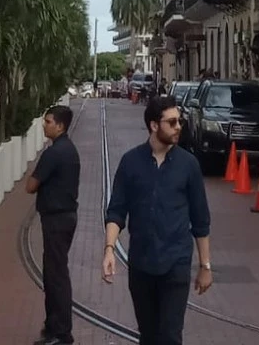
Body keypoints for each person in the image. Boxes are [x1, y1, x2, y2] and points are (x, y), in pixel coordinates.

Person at [103, 94, 212, 345]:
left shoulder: (189, 165)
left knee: (170, 336)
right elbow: (117, 210)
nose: (178, 128)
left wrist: (205, 266)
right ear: (154, 125)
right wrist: (109, 249)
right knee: (149, 336)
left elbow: (200, 219)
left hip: (176, 263)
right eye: (172, 122)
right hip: (141, 264)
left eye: (179, 122)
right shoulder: (131, 162)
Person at [26, 104, 81, 345]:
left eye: (48, 122)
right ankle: (53, 326)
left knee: (56, 275)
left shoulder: (55, 153)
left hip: (57, 219)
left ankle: (61, 332)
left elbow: (31, 185)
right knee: (52, 272)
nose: (44, 125)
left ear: (60, 125)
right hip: (62, 218)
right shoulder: (68, 149)